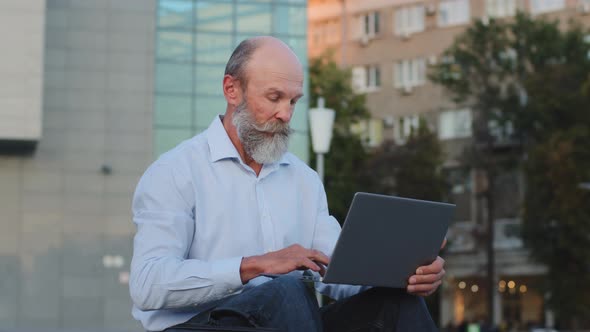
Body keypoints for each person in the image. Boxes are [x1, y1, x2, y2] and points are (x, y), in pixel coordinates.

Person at [129, 36, 446, 332]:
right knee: (287, 289)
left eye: (293, 101)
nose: (285, 114)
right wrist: (255, 266)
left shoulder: (303, 179)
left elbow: (339, 273)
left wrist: (405, 273)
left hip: (289, 320)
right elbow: (147, 284)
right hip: (200, 325)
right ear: (232, 89)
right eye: (274, 97)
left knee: (397, 304)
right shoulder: (175, 171)